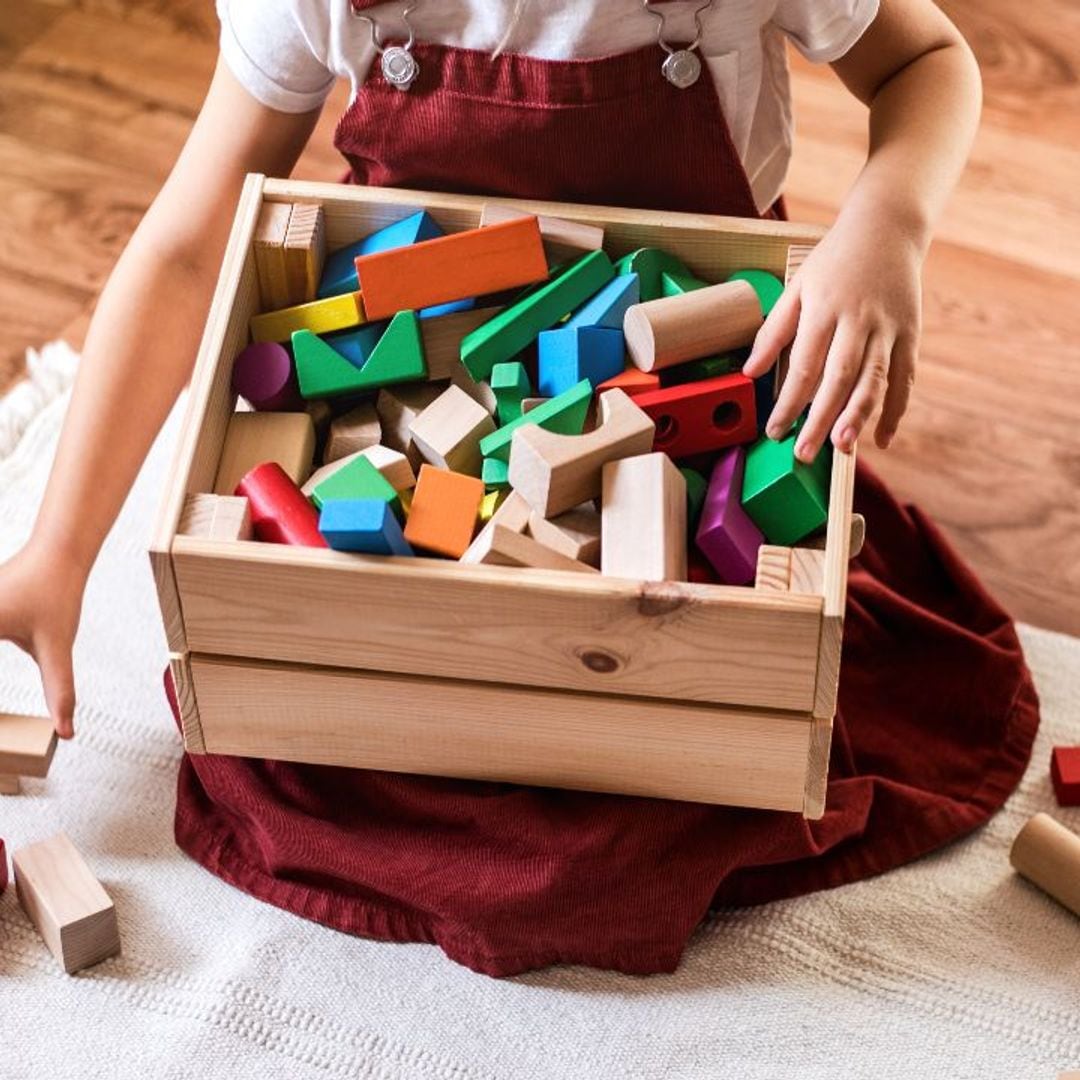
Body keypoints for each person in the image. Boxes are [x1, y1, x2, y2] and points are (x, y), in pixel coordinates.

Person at [0, 0, 1039, 977]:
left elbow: (925, 60)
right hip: (412, 381)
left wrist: (889, 221)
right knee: (321, 714)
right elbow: (188, 252)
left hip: (688, 374)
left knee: (690, 766)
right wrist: (56, 552)